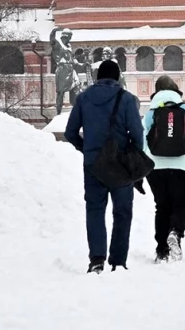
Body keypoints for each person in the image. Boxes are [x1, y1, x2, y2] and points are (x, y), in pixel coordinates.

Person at [64, 60, 144, 274]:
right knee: (123, 212)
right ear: (118, 77)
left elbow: (70, 133)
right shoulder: (127, 100)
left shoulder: (83, 98)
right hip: (121, 165)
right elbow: (137, 135)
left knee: (95, 209)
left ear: (98, 76)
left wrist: (87, 149)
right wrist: (133, 161)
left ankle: (97, 259)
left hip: (93, 165)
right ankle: (118, 261)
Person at [142, 76, 185, 263]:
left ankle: (162, 250)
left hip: (155, 168)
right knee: (181, 205)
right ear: (176, 91)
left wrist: (138, 171)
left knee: (162, 207)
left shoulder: (151, 113)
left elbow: (140, 142)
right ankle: (176, 232)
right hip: (182, 167)